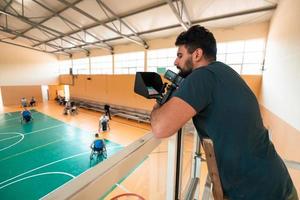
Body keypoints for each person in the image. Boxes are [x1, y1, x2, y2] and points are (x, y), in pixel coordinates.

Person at [150, 25, 298, 199]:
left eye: (180, 56)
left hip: (258, 193)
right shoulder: (225, 73)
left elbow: (160, 128)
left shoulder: (202, 77)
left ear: (197, 54)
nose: (176, 63)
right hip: (277, 184)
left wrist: (158, 104)